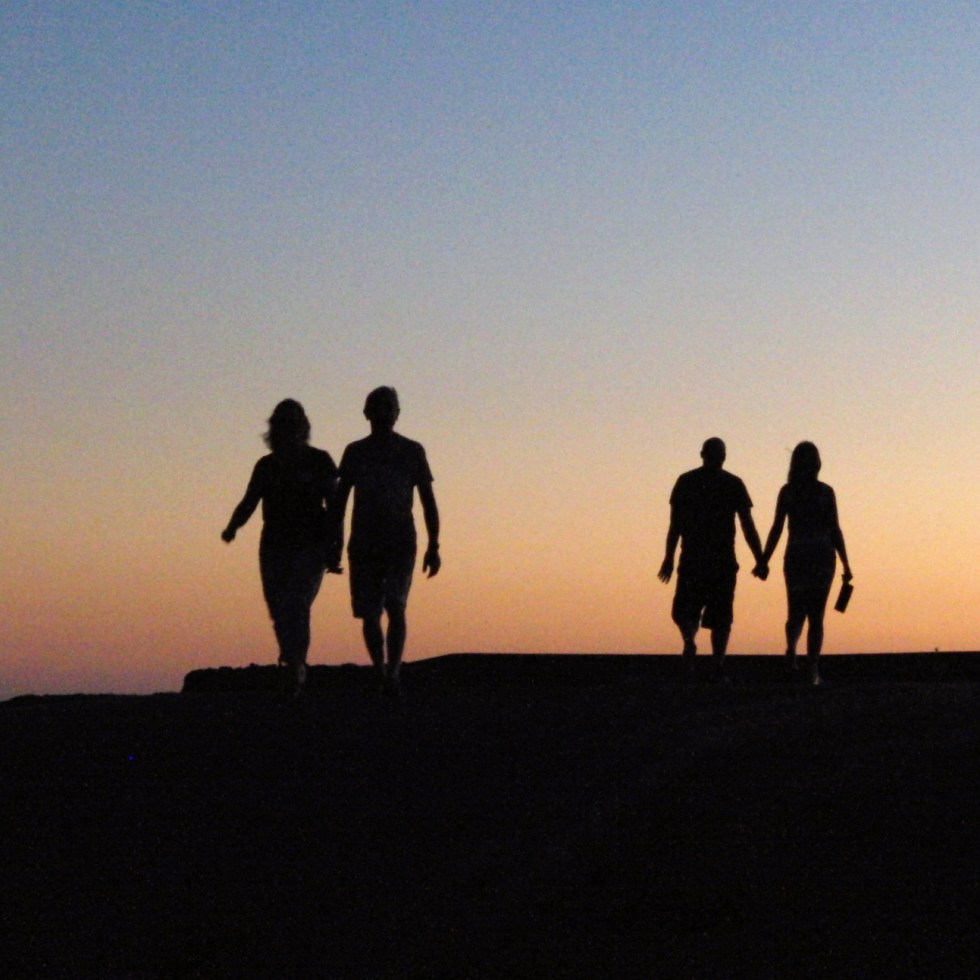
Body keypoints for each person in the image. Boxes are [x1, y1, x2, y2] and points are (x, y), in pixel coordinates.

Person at [328, 387, 440, 699]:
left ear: (397, 413)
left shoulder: (412, 450)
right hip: (364, 541)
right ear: (367, 413)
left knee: (395, 604)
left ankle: (393, 673)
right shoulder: (355, 452)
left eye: (388, 407)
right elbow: (339, 502)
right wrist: (334, 544)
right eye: (377, 407)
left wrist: (434, 545)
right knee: (369, 612)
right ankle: (380, 671)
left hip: (400, 539)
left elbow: (428, 501)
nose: (383, 413)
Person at [222, 399, 338, 695]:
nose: (289, 431)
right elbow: (250, 500)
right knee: (279, 609)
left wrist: (336, 545)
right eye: (283, 425)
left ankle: (296, 666)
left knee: (296, 604)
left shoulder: (320, 460)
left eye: (294, 425)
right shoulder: (266, 466)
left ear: (303, 428)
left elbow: (335, 506)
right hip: (274, 545)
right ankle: (290, 659)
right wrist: (234, 526)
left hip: (311, 545)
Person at [658, 437, 766, 677]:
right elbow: (747, 526)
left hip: (701, 559)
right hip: (715, 560)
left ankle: (694, 645)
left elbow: (675, 526)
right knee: (716, 616)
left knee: (697, 612)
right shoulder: (730, 483)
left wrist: (669, 558)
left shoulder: (688, 482)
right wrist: (760, 558)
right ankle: (714, 661)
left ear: (702, 454)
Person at [756, 441, 852, 685]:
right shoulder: (824, 492)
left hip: (799, 556)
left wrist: (764, 560)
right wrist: (846, 564)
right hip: (820, 557)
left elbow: (777, 529)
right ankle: (811, 667)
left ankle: (795, 653)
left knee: (797, 612)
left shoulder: (789, 492)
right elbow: (834, 529)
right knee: (814, 616)